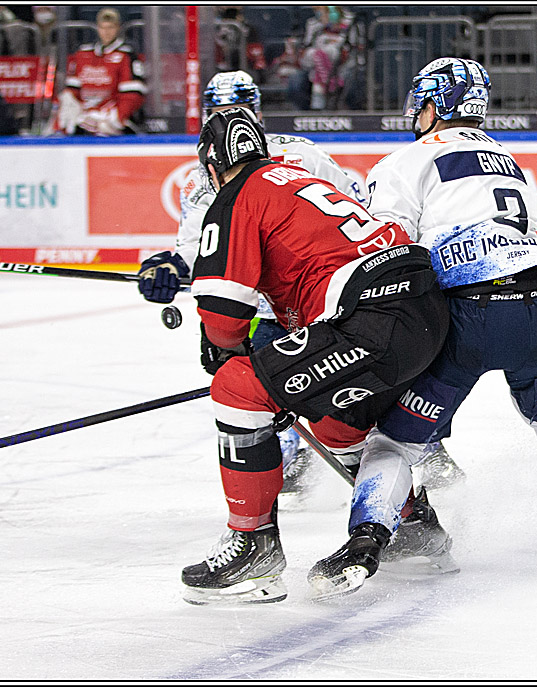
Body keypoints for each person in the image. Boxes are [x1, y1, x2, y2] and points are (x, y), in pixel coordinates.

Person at [308, 57, 537, 599]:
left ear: (434, 105)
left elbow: (384, 249)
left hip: (471, 315)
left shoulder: (405, 161)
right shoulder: (506, 159)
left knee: (394, 442)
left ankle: (365, 544)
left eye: (421, 102)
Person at [137, 70, 465, 495]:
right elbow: (196, 250)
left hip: (329, 298)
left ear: (255, 111)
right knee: (292, 399)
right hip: (267, 306)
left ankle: (417, 447)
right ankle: (359, 486)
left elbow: (354, 212)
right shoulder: (202, 179)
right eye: (218, 110)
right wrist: (165, 268)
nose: (227, 117)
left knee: (326, 388)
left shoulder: (301, 154)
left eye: (236, 109)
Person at [177, 106, 451, 604]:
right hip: (422, 309)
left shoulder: (237, 196)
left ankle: (253, 546)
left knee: (237, 388)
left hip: (372, 318)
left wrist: (230, 357)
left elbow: (224, 319)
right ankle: (412, 525)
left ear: (213, 165)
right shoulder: (294, 177)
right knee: (334, 422)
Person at [56, 8, 146, 136]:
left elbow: (132, 95)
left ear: (118, 28)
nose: (106, 32)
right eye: (103, 27)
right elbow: (72, 91)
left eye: (110, 27)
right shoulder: (82, 54)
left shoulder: (126, 55)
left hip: (110, 122)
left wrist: (115, 120)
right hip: (84, 120)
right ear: (97, 28)